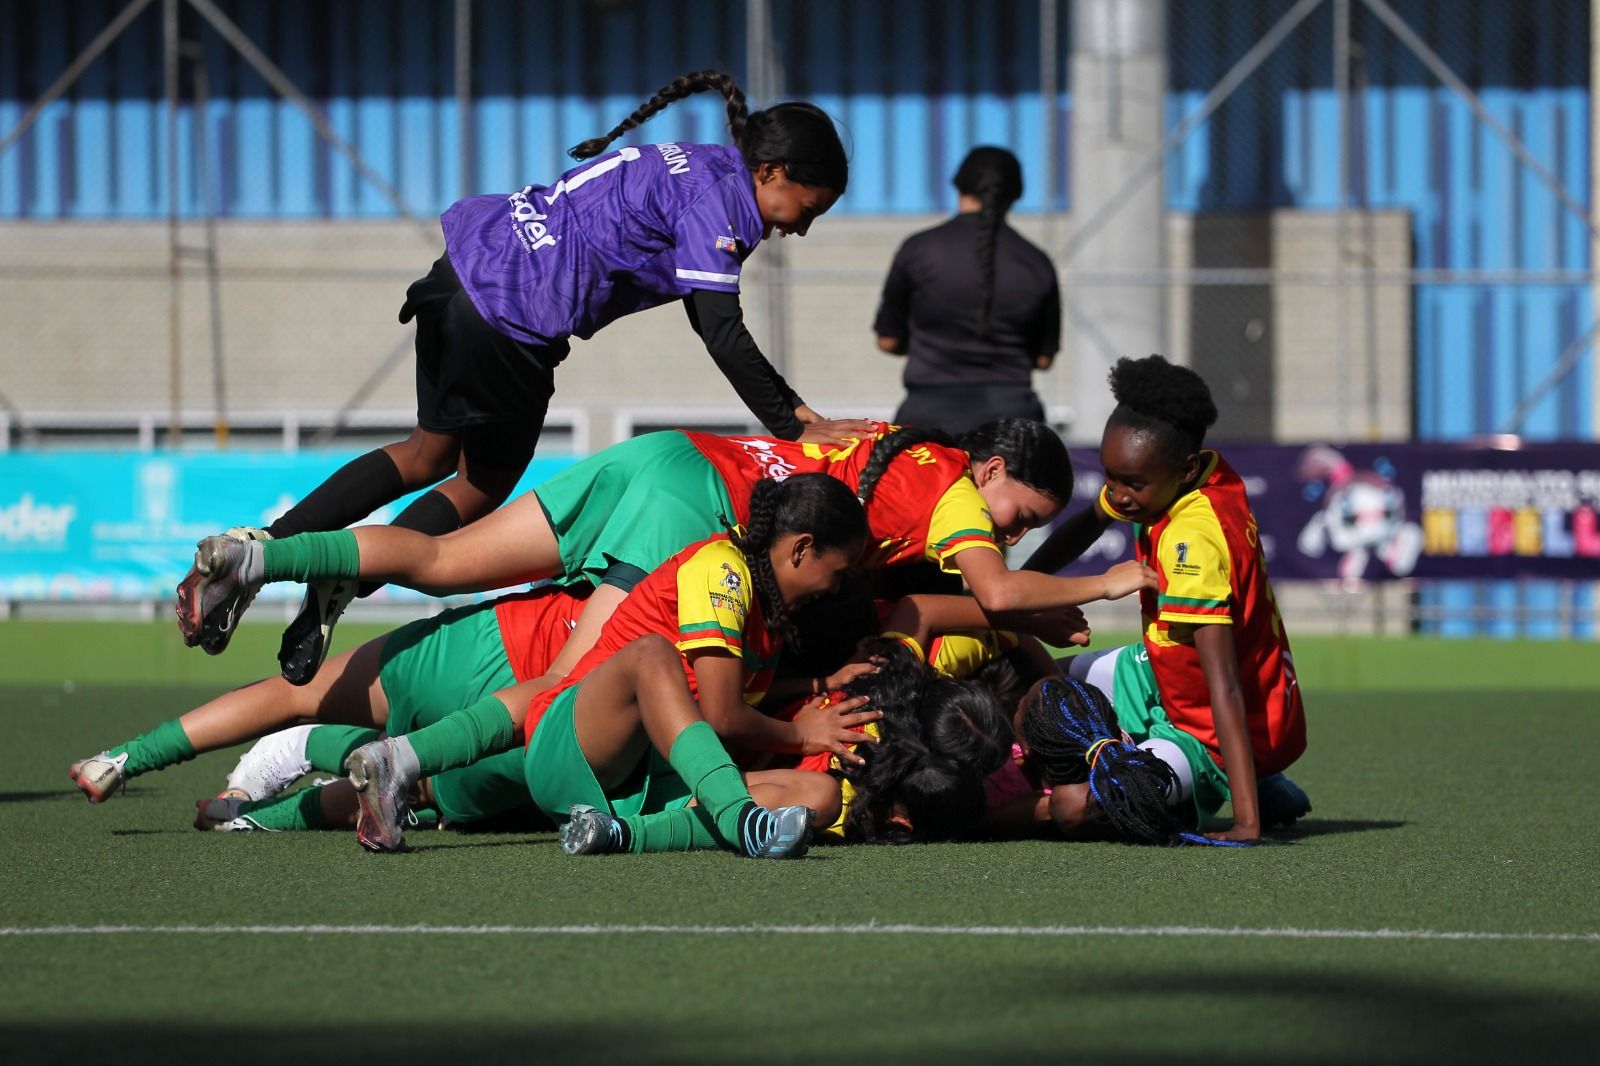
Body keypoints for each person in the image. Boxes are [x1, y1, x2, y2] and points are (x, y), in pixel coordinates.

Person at [176, 68, 872, 685]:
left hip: (460, 276)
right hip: (511, 316)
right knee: (484, 483)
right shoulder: (725, 205)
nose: (801, 229)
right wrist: (794, 422)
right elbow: (717, 327)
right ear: (773, 172)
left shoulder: (698, 162)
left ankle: (257, 543)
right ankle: (332, 575)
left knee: (426, 453)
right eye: (808, 210)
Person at [174, 418, 1149, 687]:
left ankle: (261, 558)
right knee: (568, 680)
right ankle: (418, 778)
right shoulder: (952, 499)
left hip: (665, 452)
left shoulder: (911, 448)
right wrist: (1105, 580)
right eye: (1016, 511)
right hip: (692, 507)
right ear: (986, 471)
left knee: (435, 558)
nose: (1011, 531)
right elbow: (993, 583)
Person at [340, 474, 877, 852]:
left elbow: (730, 695)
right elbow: (720, 715)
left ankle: (619, 836)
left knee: (819, 796)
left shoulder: (768, 608)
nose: (836, 587)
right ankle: (741, 823)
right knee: (651, 655)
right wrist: (803, 735)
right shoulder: (724, 572)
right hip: (577, 749)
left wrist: (814, 682)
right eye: (840, 570)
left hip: (640, 782)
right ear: (802, 548)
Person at [1021, 354, 1310, 843]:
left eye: (1131, 483)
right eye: (1111, 476)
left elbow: (1226, 688)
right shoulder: (1189, 475)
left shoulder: (1192, 540)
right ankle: (1250, 780)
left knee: (1086, 808)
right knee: (1031, 685)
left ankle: (1248, 786)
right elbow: (1087, 525)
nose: (1118, 493)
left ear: (1186, 467)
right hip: (1162, 673)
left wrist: (1246, 825)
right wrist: (1020, 587)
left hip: (1210, 733)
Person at [872, 147, 1060, 433]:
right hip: (1014, 421)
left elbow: (887, 340)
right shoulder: (1037, 261)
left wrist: (929, 344)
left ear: (959, 186)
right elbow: (1043, 360)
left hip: (928, 419)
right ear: (1015, 195)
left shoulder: (919, 249)